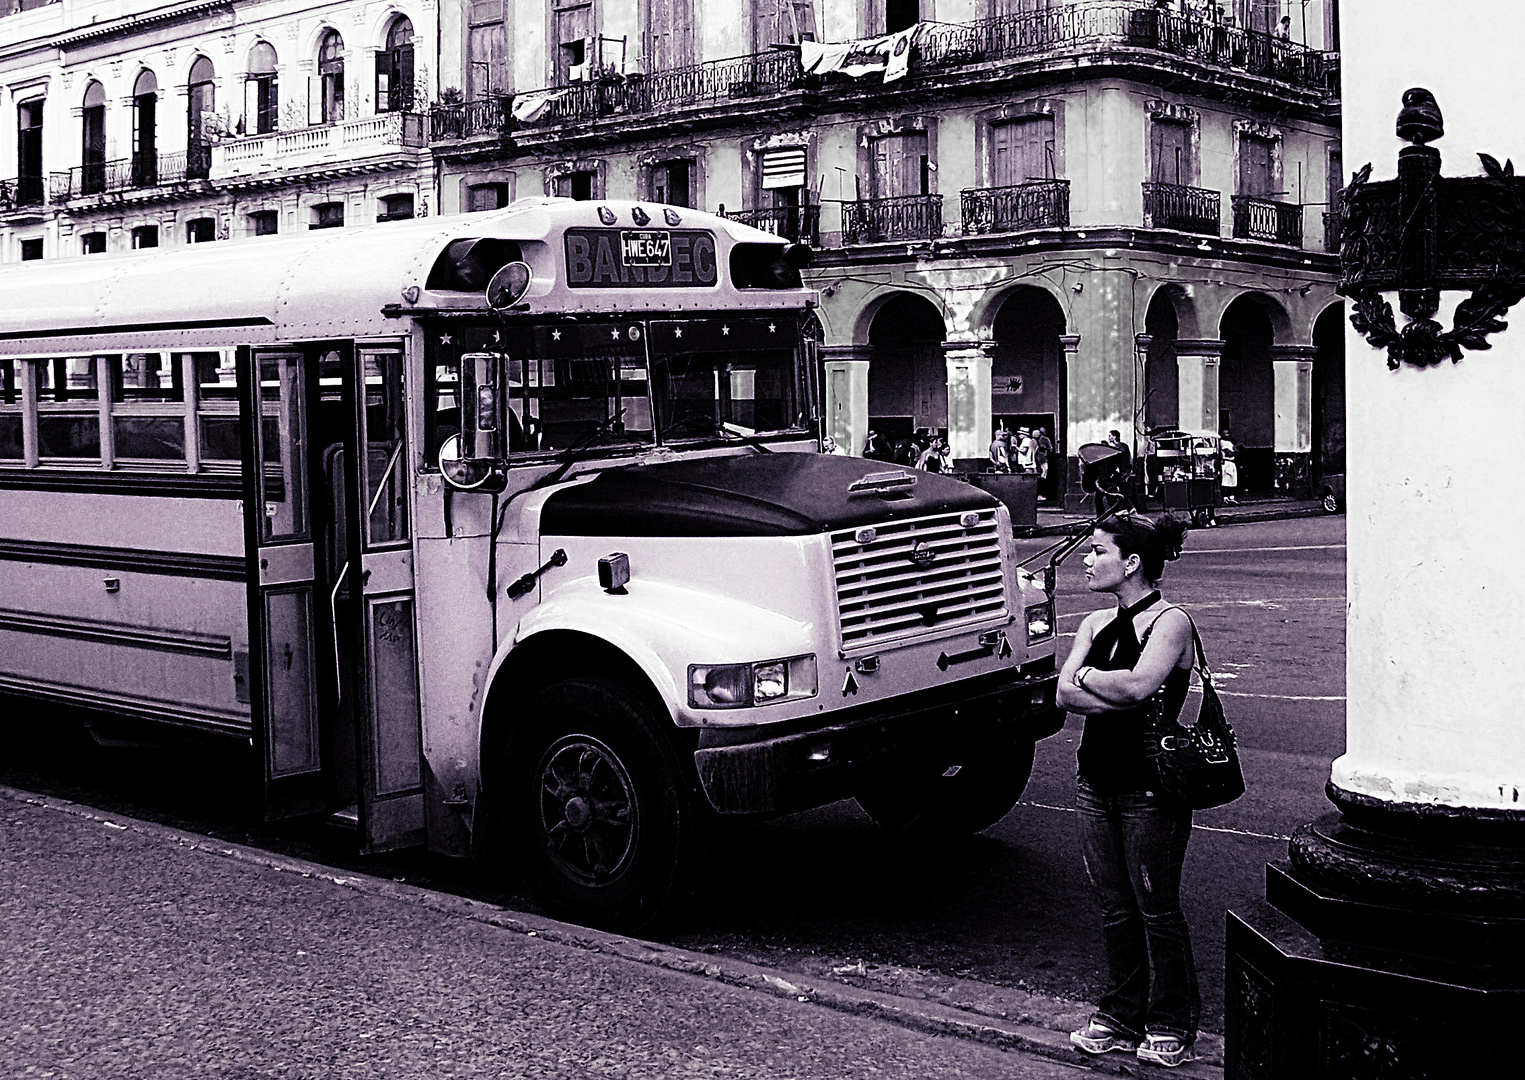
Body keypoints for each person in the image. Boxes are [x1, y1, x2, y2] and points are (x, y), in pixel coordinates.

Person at [1056, 513, 1200, 1069]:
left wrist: (1089, 680)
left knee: (1156, 908)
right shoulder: (1094, 622)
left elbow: (1141, 688)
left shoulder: (1171, 622)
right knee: (1115, 907)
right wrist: (1102, 690)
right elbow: (1062, 696)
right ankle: (1119, 1013)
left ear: (1131, 562)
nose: (1087, 561)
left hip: (1150, 789)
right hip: (1094, 779)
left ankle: (1171, 1021)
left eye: (1096, 551)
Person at [1219, 430, 1238, 505]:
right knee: (1226, 481)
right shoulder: (1222, 442)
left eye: (1228, 433)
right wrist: (1233, 452)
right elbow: (1228, 453)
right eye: (1225, 433)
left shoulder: (1230, 442)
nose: (1227, 435)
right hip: (1226, 462)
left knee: (1232, 481)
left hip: (1232, 462)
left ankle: (1231, 497)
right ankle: (1225, 498)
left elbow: (1236, 450)